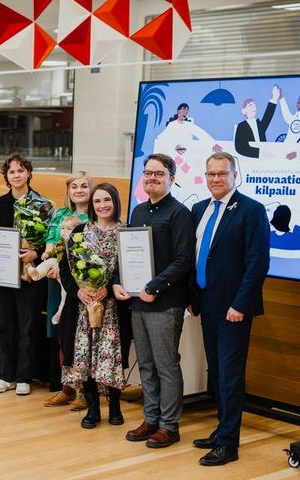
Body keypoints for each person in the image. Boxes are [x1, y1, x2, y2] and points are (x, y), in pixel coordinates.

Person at [189, 152, 270, 466]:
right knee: (217, 372)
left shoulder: (251, 210)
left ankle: (228, 444)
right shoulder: (199, 209)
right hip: (207, 305)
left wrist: (241, 303)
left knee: (230, 376)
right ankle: (221, 429)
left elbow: (257, 263)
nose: (215, 179)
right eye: (210, 174)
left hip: (233, 308)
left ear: (235, 175)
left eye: (221, 174)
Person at [113, 153, 194, 448]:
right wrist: (119, 282)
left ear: (172, 179)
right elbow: (129, 254)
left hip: (165, 302)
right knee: (145, 364)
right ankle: (151, 419)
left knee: (166, 366)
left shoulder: (179, 213)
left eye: (158, 174)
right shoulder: (138, 211)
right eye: (148, 173)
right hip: (138, 301)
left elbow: (184, 260)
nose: (151, 178)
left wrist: (154, 286)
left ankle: (169, 426)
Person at [59, 183, 132, 429]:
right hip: (82, 308)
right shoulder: (79, 232)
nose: (102, 205)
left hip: (112, 309)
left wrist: (110, 286)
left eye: (107, 200)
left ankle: (114, 407)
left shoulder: (126, 232)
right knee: (86, 358)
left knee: (110, 357)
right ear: (92, 204)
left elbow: (130, 268)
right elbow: (65, 268)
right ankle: (92, 409)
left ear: (115, 202)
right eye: (98, 201)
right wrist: (78, 291)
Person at [0, 154, 44, 396]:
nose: (17, 175)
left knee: (27, 327)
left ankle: (23, 377)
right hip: (1, 276)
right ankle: (6, 375)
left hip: (29, 276)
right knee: (1, 325)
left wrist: (36, 253)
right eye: (12, 172)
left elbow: (49, 243)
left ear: (29, 173)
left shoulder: (42, 204)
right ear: (6, 176)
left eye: (21, 170)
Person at [43, 172, 91, 408]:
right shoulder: (60, 214)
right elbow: (51, 244)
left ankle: (84, 391)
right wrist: (50, 258)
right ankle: (67, 387)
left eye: (84, 186)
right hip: (60, 281)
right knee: (63, 336)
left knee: (80, 338)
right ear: (68, 190)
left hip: (86, 285)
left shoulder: (95, 215)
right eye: (75, 186)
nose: (79, 190)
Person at [234, 86, 279, 159]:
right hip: (249, 161)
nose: (254, 106)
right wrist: (260, 153)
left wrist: (274, 99)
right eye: (250, 105)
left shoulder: (259, 124)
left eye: (254, 104)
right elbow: (240, 148)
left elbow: (267, 117)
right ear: (244, 110)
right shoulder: (241, 126)